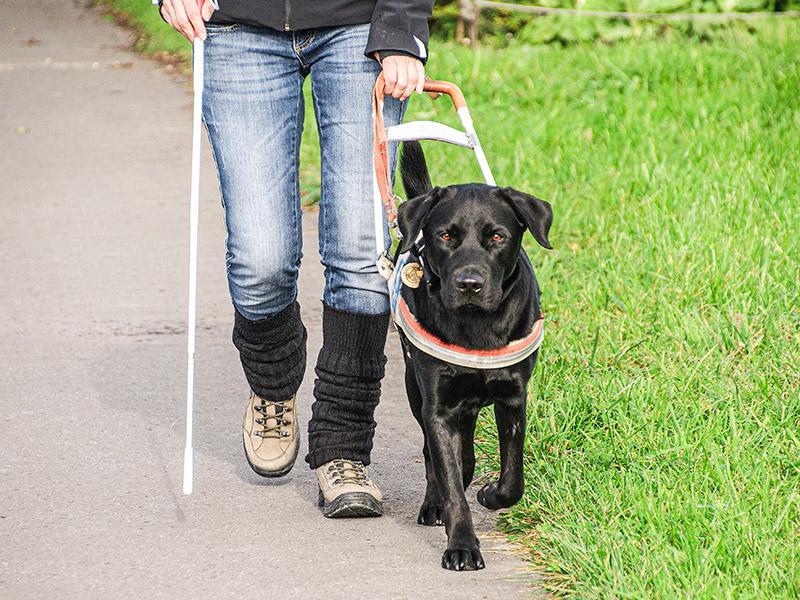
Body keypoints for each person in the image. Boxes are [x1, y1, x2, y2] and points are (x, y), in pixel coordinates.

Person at [158, 0, 434, 517]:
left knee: (360, 248)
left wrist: (403, 26)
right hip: (239, 25)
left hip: (360, 26)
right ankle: (272, 385)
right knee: (260, 258)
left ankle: (344, 448)